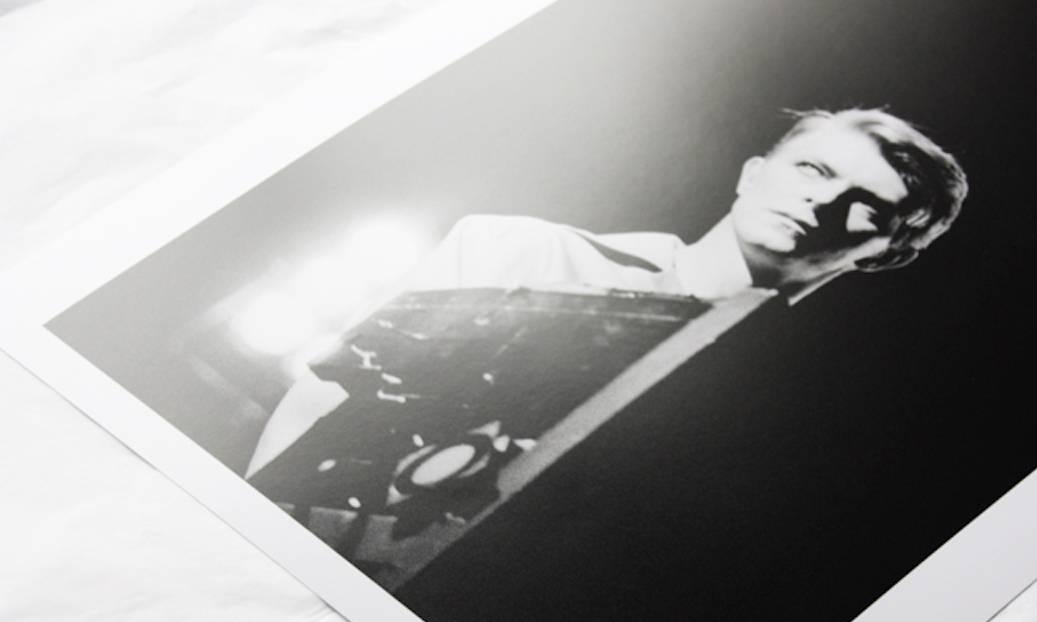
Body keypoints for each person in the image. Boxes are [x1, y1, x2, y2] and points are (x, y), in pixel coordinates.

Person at [246, 108, 968, 475]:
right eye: (812, 169)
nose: (824, 202)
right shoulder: (521, 251)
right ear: (753, 174)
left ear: (886, 254)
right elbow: (323, 399)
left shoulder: (793, 429)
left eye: (866, 203)